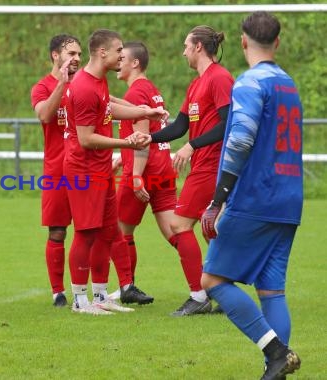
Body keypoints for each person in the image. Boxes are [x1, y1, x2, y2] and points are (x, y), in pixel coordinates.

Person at [201, 11, 302, 379]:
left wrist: (217, 199)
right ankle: (275, 369)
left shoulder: (248, 83)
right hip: (289, 198)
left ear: (243, 42)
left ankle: (276, 352)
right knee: (271, 290)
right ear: (276, 42)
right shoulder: (288, 84)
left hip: (256, 198)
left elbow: (241, 139)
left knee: (211, 280)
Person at [64, 29, 169, 315]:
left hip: (99, 169)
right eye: (118, 50)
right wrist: (126, 142)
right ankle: (79, 300)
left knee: (108, 232)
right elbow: (86, 139)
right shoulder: (85, 86)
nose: (123, 55)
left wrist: (143, 113)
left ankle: (99, 296)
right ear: (102, 53)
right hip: (84, 170)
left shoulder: (98, 82)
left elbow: (107, 108)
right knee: (86, 234)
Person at [149, 25, 234, 316]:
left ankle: (198, 297)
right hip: (202, 165)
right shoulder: (196, 84)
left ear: (198, 47)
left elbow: (227, 124)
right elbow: (179, 126)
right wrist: (149, 137)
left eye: (186, 45)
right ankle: (224, 294)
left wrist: (191, 146)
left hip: (211, 165)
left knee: (179, 226)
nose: (183, 51)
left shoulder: (220, 78)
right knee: (214, 231)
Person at [109, 41, 177, 302]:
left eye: (122, 57)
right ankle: (206, 285)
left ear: (135, 63)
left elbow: (142, 134)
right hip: (162, 167)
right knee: (177, 232)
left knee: (118, 231)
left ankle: (128, 287)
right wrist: (121, 157)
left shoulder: (137, 92)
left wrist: (135, 173)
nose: (118, 62)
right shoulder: (150, 89)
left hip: (143, 169)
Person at [30, 34, 82, 307]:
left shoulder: (85, 84)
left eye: (78, 55)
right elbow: (44, 115)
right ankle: (58, 292)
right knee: (58, 232)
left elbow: (110, 105)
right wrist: (62, 84)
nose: (76, 59)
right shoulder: (42, 87)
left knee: (91, 231)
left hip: (85, 169)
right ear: (55, 55)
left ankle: (87, 290)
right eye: (71, 53)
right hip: (56, 171)